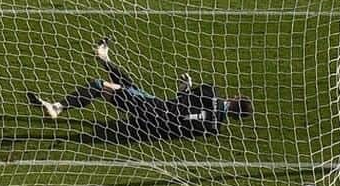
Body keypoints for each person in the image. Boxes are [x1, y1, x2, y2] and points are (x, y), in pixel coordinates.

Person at [26, 39, 253, 142]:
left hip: (154, 110)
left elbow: (183, 101)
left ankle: (57, 107)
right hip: (155, 127)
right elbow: (185, 118)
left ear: (235, 97)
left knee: (99, 87)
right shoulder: (214, 128)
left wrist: (186, 87)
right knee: (131, 88)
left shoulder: (211, 92)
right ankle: (104, 58)